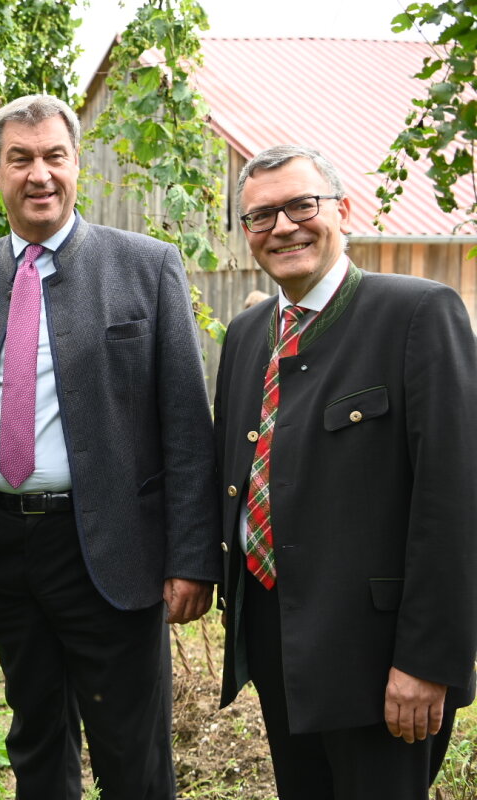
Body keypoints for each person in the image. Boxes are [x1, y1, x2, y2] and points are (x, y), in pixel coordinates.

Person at [0, 93, 220, 799]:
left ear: (76, 164)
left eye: (55, 156)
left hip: (109, 550)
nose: (40, 174)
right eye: (20, 159)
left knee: (131, 748)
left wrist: (190, 556)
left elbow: (184, 423)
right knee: (36, 734)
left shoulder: (147, 267)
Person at [215, 144, 477, 799]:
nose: (283, 227)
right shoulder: (248, 335)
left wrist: (426, 661)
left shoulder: (418, 314)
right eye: (260, 216)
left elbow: (455, 500)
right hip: (279, 635)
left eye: (302, 205)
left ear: (344, 211)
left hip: (379, 653)